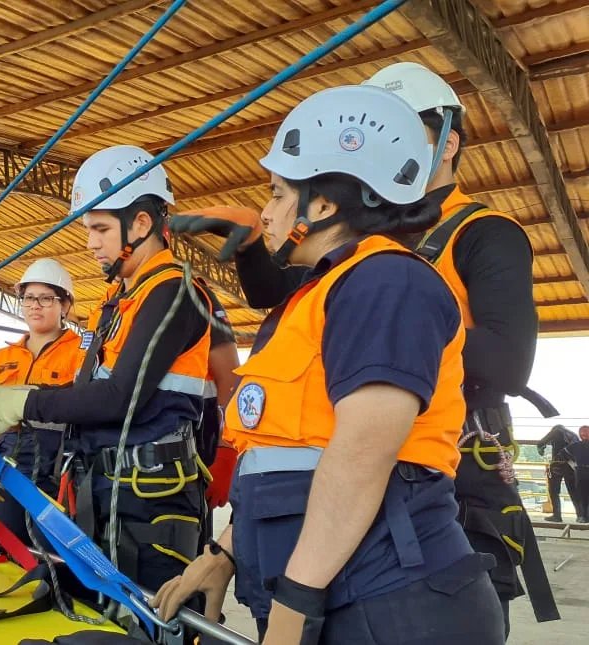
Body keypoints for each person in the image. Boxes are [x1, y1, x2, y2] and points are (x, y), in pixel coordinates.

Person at [185, 61, 558, 632]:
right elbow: (299, 432)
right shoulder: (341, 273)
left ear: (447, 144)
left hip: (421, 495)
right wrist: (227, 554)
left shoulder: (435, 254)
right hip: (328, 527)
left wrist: (399, 350)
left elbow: (504, 363)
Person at [0, 144, 213, 600]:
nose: (90, 243)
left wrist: (25, 401)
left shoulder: (172, 291)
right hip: (109, 493)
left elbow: (121, 397)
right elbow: (89, 392)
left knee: (150, 623)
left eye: (101, 228)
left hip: (153, 505)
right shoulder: (121, 301)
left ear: (141, 224)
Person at [0, 258, 85, 544]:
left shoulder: (80, 354)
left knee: (57, 558)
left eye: (46, 298)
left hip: (58, 473)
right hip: (8, 472)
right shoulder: (4, 357)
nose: (35, 305)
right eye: (29, 298)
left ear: (65, 305)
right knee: (15, 551)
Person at [537, 423, 580, 523]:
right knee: (573, 492)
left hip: (558, 465)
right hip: (572, 466)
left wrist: (541, 449)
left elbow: (541, 442)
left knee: (554, 491)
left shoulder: (556, 431)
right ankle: (580, 516)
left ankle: (557, 516)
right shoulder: (574, 435)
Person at [559, 426, 589, 523]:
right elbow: (562, 454)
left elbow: (562, 454)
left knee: (582, 495)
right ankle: (584, 516)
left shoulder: (575, 445)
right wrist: (574, 465)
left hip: (579, 471)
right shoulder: (575, 445)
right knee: (582, 495)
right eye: (583, 433)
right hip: (580, 471)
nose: (584, 435)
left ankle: (584, 517)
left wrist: (573, 465)